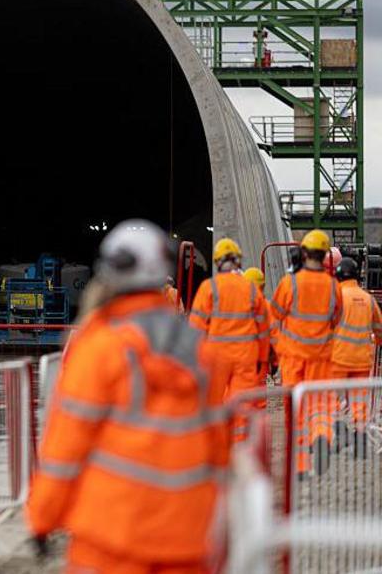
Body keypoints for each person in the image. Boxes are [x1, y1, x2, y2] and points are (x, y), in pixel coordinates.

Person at [27, 220, 228, 572]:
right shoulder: (201, 353)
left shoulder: (100, 347)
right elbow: (218, 448)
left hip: (111, 537)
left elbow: (65, 448)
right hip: (187, 540)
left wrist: (42, 519)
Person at [270, 229, 341, 475]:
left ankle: (300, 465)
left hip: (292, 357)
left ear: (304, 252)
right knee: (320, 404)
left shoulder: (289, 284)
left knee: (295, 411)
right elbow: (335, 319)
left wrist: (278, 346)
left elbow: (274, 315)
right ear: (324, 256)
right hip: (321, 357)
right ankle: (321, 436)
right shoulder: (333, 286)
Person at [188, 238, 269, 442]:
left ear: (216, 262)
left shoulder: (209, 288)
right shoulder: (251, 289)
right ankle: (239, 448)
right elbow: (263, 330)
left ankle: (219, 446)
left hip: (216, 358)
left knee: (217, 403)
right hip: (245, 358)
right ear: (239, 261)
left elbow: (196, 329)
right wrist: (263, 360)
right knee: (242, 406)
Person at [329, 257, 382, 452]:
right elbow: (378, 327)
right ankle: (360, 437)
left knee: (334, 398)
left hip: (338, 358)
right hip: (361, 360)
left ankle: (339, 434)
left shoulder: (336, 297)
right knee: (359, 399)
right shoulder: (367, 298)